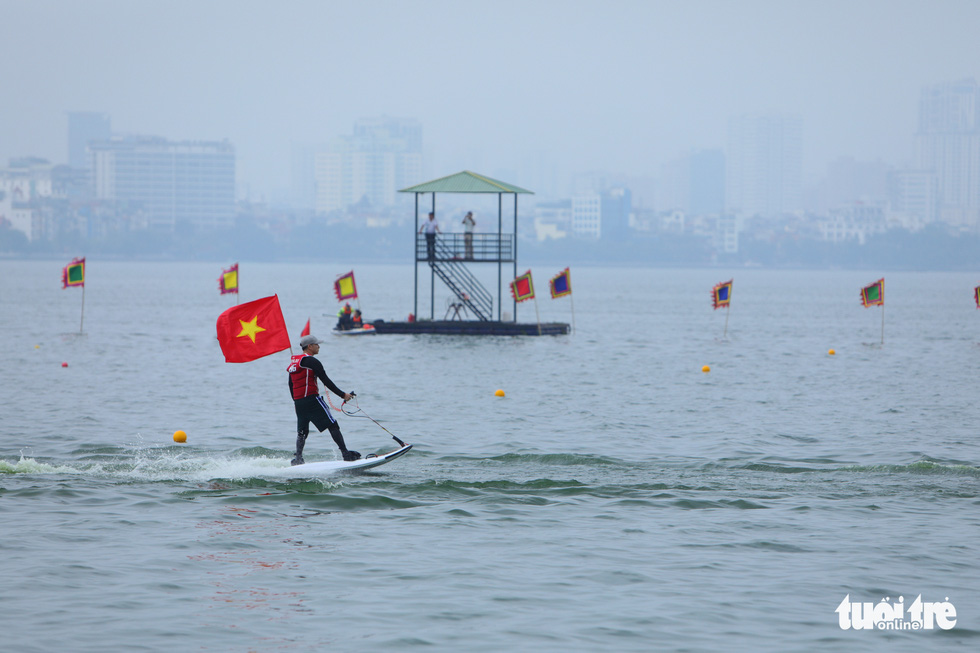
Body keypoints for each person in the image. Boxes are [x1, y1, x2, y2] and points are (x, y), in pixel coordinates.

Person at [287, 334, 361, 465]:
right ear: (309, 346)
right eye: (316, 344)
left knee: (302, 431)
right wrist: (343, 395)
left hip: (299, 402)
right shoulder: (312, 362)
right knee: (332, 424)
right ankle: (345, 453)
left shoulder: (294, 363)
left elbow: (291, 384)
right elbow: (326, 380)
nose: (319, 346)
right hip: (312, 400)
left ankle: (298, 458)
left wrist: (296, 401)